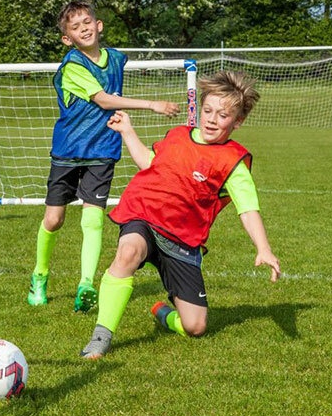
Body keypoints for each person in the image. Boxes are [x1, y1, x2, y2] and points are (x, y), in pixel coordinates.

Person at [80, 70, 281, 359]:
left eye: (223, 115)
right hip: (145, 214)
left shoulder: (233, 162)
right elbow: (149, 163)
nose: (212, 119)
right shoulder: (177, 136)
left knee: (195, 326)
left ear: (238, 121)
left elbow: (248, 208)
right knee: (128, 252)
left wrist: (264, 248)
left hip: (182, 239)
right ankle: (101, 337)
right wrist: (127, 131)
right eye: (208, 111)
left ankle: (163, 313)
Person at [28, 0, 180, 313]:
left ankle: (85, 286)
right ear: (67, 39)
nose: (83, 28)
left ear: (99, 26)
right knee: (54, 220)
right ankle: (39, 276)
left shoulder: (116, 58)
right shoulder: (73, 65)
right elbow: (104, 100)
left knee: (93, 218)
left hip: (102, 151)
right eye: (75, 27)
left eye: (87, 22)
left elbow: (120, 67)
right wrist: (151, 104)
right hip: (68, 151)